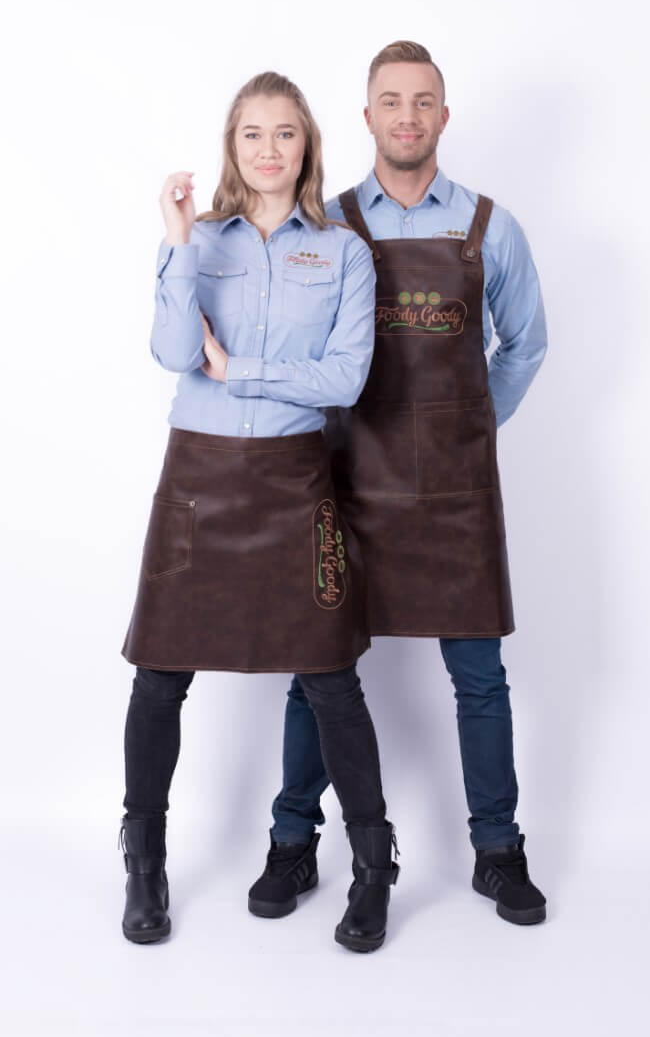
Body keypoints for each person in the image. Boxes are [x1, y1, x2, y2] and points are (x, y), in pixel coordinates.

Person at [253, 41, 548, 926]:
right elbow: (300, 349)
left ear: (443, 117)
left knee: (480, 678)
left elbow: (525, 345)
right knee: (315, 674)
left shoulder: (492, 227)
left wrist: (468, 424)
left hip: (458, 497)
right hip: (346, 488)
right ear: (368, 116)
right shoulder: (329, 226)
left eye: (423, 102)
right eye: (391, 101)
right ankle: (293, 841)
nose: (408, 117)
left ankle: (497, 850)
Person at [118, 71, 399, 952]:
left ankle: (372, 864)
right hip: (198, 479)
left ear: (307, 145)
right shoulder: (200, 240)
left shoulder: (344, 253)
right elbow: (174, 350)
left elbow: (344, 380)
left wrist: (238, 369)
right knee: (159, 675)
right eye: (252, 134)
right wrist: (176, 239)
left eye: (285, 133)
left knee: (329, 675)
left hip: (292, 483)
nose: (269, 149)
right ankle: (144, 862)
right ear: (232, 147)